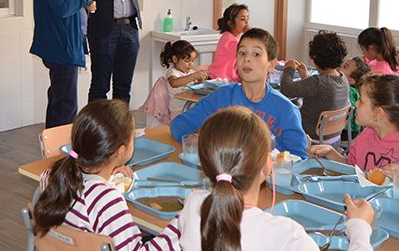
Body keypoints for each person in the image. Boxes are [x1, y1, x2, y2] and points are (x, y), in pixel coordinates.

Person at [175, 107, 376, 251]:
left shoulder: (193, 204)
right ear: (267, 166)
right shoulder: (287, 235)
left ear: (206, 162)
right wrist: (359, 227)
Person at [33, 100, 178, 251]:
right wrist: (180, 227)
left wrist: (106, 180)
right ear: (121, 152)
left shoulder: (53, 175)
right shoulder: (106, 200)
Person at [170, 28, 310, 159]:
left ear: (271, 64)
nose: (247, 59)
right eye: (242, 53)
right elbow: (179, 124)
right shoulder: (222, 97)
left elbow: (299, 158)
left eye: (256, 54)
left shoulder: (286, 110)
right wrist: (198, 141)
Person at [309, 75, 399, 198]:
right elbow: (355, 169)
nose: (356, 104)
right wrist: (332, 154)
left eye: (361, 101)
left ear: (378, 113)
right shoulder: (367, 134)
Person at [30, 0, 109, 128]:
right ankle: (62, 156)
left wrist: (86, 3)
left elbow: (68, 1)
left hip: (66, 43)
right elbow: (62, 8)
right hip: (60, 45)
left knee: (60, 100)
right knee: (65, 106)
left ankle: (55, 153)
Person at [279, 30, 350, 143]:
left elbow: (286, 90)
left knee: (284, 110)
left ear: (315, 58)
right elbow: (320, 93)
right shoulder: (343, 78)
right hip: (334, 137)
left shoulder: (318, 82)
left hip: (311, 137)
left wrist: (289, 69)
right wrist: (305, 77)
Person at [161, 40, 209, 117]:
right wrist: (194, 76)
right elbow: (174, 83)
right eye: (187, 61)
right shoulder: (172, 72)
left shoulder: (190, 72)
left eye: (192, 60)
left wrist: (200, 81)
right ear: (175, 59)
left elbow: (195, 90)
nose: (191, 64)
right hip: (178, 112)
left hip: (191, 108)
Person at [209, 3, 250, 81]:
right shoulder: (227, 38)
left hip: (228, 78)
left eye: (247, 18)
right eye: (242, 19)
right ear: (230, 23)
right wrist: (249, 35)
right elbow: (241, 52)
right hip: (218, 79)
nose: (247, 22)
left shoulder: (237, 38)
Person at [339, 56, 371, 138]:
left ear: (350, 80)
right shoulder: (355, 91)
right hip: (350, 130)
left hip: (347, 131)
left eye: (345, 66)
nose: (340, 66)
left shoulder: (347, 91)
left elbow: (351, 108)